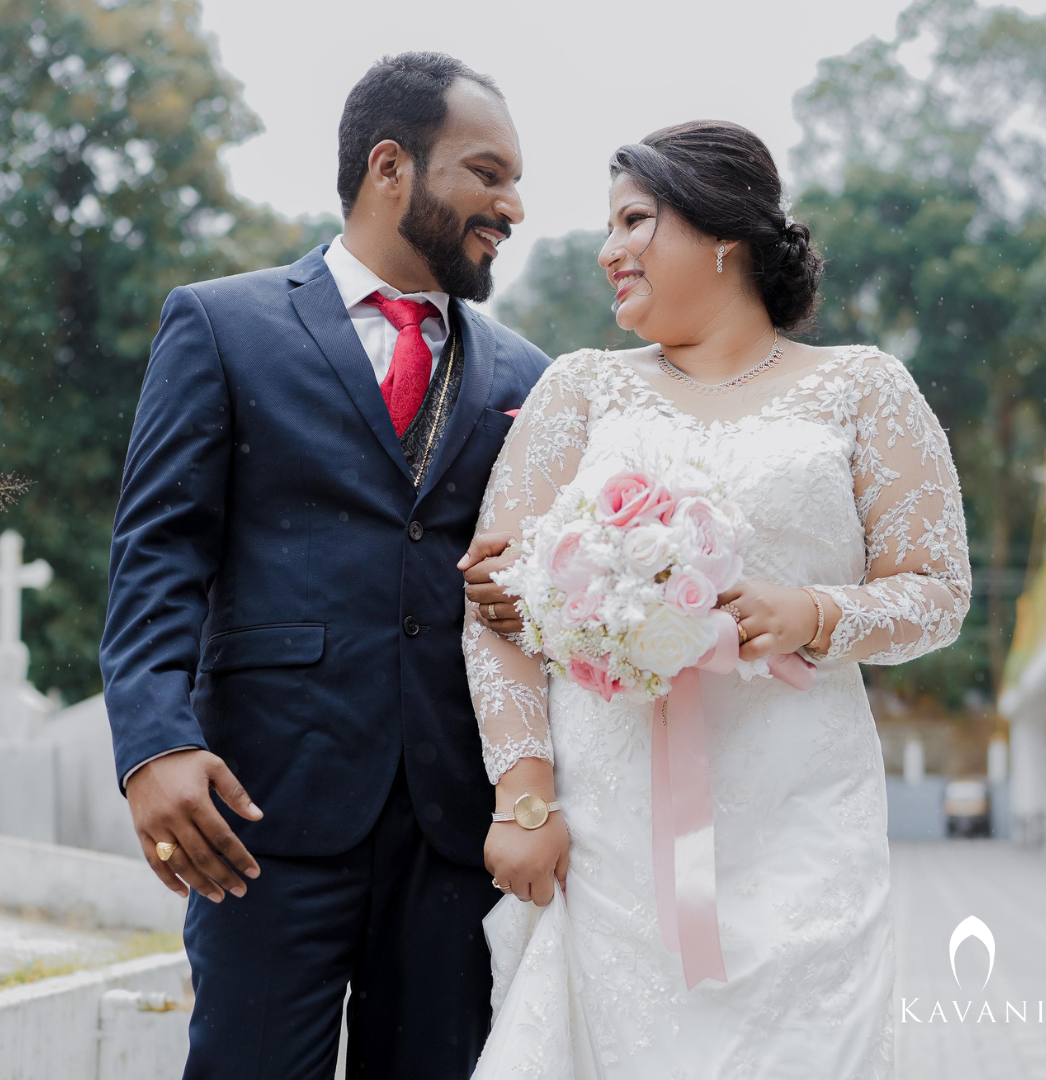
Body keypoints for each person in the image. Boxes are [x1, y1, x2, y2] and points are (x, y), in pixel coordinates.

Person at [463, 120, 971, 1078]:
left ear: (724, 231)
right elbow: (495, 604)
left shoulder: (863, 390)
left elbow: (940, 592)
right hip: (612, 830)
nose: (610, 250)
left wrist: (816, 614)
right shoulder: (581, 393)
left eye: (635, 220)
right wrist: (524, 799)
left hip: (801, 815)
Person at [100, 52, 545, 1079]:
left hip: (453, 824)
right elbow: (159, 548)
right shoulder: (221, 323)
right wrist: (153, 744)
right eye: (488, 171)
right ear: (392, 166)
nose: (513, 204)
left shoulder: (531, 374)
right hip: (262, 809)